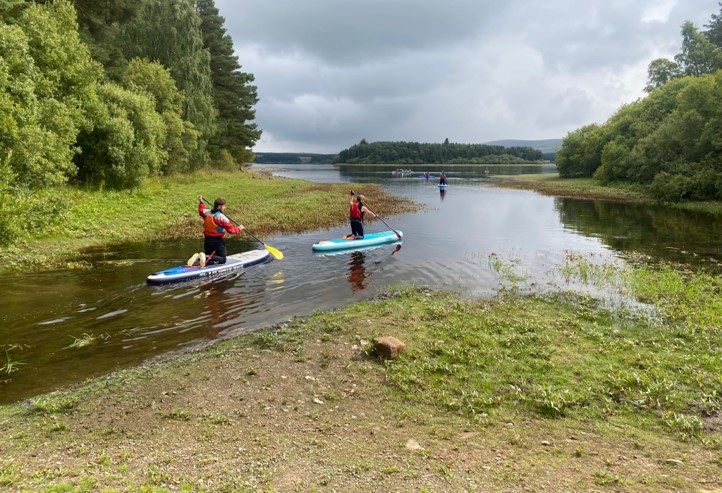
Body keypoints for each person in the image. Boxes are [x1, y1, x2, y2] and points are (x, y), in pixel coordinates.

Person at [196, 195, 243, 265]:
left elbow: (201, 211)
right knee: (223, 259)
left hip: (207, 240)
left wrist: (201, 202)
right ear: (219, 207)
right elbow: (231, 231)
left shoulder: (207, 212)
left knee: (210, 261)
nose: (225, 208)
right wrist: (239, 228)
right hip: (217, 241)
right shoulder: (222, 217)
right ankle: (206, 256)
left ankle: (206, 257)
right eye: (224, 206)